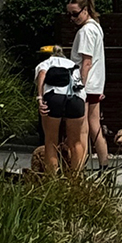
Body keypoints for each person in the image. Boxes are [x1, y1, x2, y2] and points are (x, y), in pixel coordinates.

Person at [68, 0, 108, 170]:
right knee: (94, 125)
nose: (72, 18)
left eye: (75, 13)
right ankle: (104, 165)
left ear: (85, 10)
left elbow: (86, 62)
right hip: (96, 84)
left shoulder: (85, 32)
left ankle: (80, 167)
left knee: (82, 128)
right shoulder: (96, 27)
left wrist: (79, 86)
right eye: (69, 14)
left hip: (85, 85)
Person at [34, 44, 86, 173]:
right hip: (76, 99)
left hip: (54, 97)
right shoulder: (72, 64)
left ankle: (52, 180)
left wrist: (40, 98)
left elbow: (42, 74)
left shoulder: (46, 63)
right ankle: (76, 179)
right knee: (76, 142)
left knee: (51, 141)